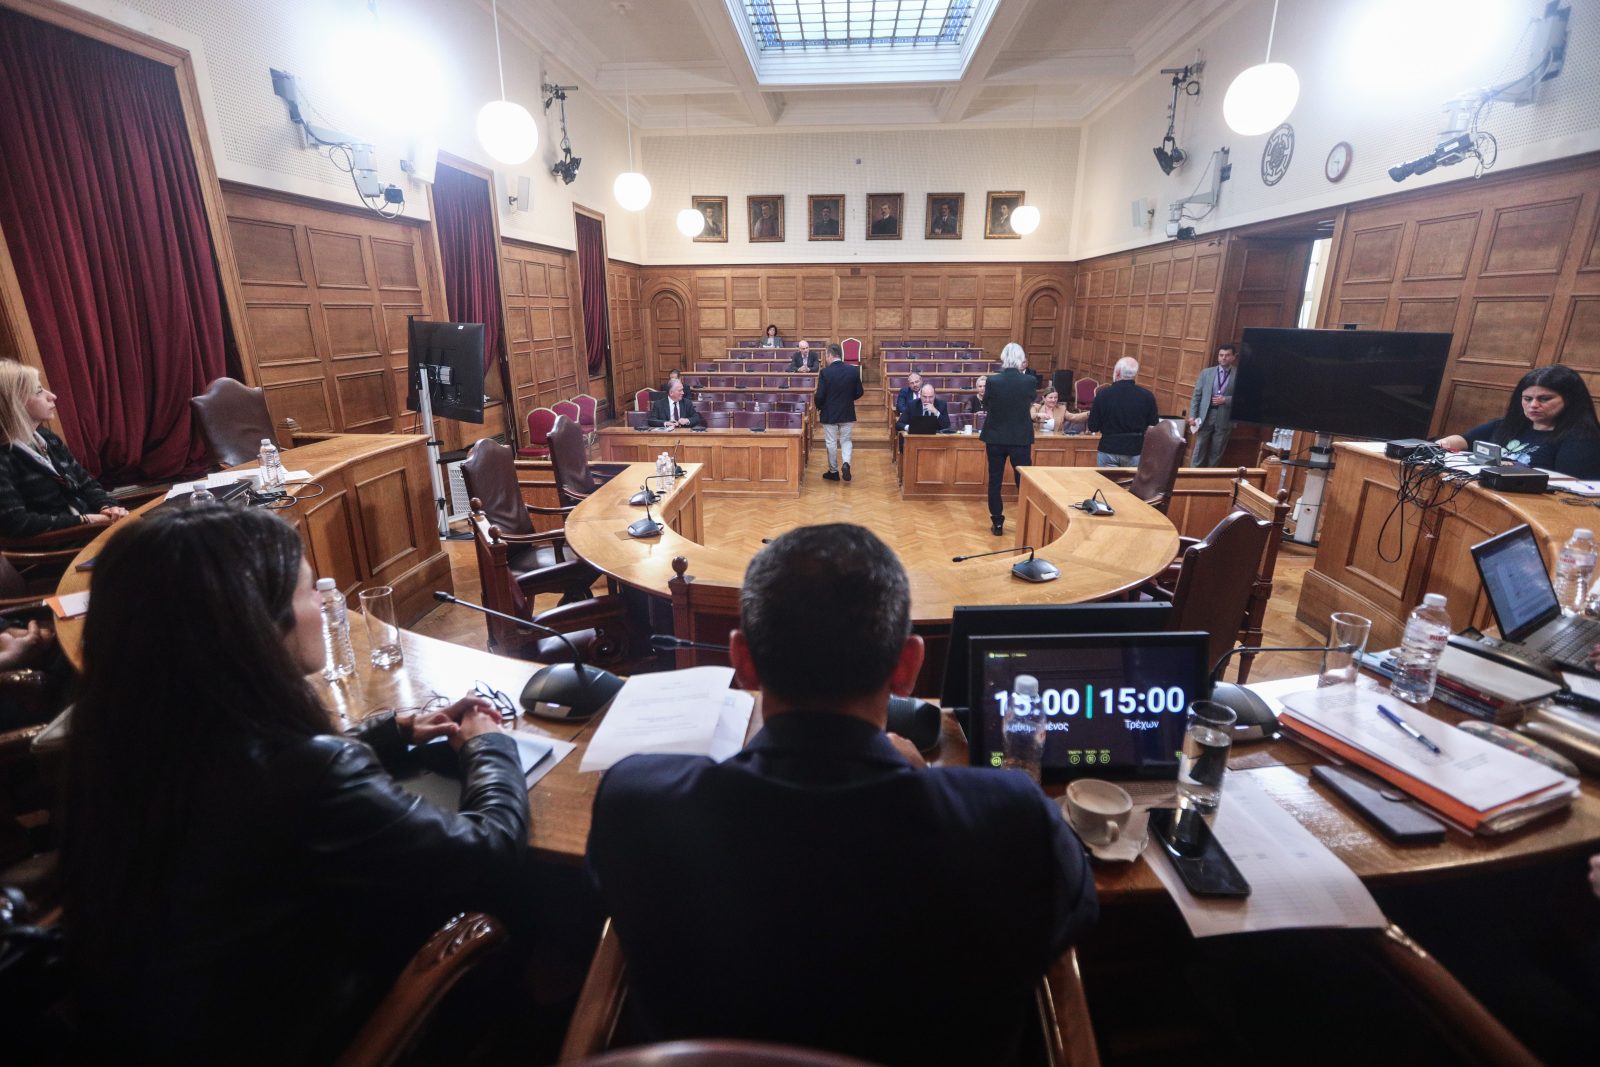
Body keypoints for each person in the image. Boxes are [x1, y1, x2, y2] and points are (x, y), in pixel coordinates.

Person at [587, 524, 1097, 1067]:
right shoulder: (1011, 819)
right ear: (908, 666)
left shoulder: (636, 804)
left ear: (743, 661)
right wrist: (928, 780)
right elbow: (1073, 908)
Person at [60, 506, 529, 1063]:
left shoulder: (116, 735)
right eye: (311, 592)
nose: (327, 608)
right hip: (300, 1032)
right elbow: (488, 851)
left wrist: (391, 732)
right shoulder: (309, 773)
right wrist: (487, 745)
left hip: (158, 1028)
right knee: (529, 902)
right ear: (261, 621)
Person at [0, 362, 128, 538]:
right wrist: (85, 520)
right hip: (60, 547)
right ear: (13, 403)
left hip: (92, 532)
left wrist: (107, 507)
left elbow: (87, 484)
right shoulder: (4, 457)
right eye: (38, 391)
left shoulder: (48, 438)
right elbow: (17, 523)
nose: (52, 396)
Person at [1437, 365, 1600, 479]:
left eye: (1545, 399)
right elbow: (1465, 440)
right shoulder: (1508, 425)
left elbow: (1571, 487)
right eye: (1527, 399)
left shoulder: (1583, 439)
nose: (1533, 405)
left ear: (1570, 400)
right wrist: (1445, 443)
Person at [980, 342, 1035, 536]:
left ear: (1003, 357)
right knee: (1024, 481)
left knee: (995, 480)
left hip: (995, 437)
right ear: (1021, 359)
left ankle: (997, 523)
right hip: (1020, 438)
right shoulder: (1029, 381)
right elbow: (1030, 400)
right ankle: (1028, 520)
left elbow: (986, 404)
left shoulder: (993, 381)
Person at [1089, 356, 1159, 467]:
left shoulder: (1103, 395)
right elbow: (1154, 425)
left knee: (1105, 479)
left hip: (1108, 448)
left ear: (1117, 373)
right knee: (1131, 479)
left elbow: (1093, 427)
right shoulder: (1147, 396)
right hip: (1135, 450)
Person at [814, 342, 861, 482]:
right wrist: (848, 399)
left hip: (829, 412)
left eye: (826, 356)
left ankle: (833, 472)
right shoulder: (853, 370)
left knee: (831, 442)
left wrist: (819, 406)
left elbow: (820, 395)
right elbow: (859, 392)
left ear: (829, 355)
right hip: (847, 411)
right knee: (846, 440)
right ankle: (846, 463)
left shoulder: (825, 372)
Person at [1187, 343, 1238, 466]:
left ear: (1233, 357)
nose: (1223, 358)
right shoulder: (1206, 373)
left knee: (1217, 451)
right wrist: (1192, 415)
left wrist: (1226, 400)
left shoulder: (1239, 375)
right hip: (1206, 415)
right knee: (1199, 448)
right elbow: (1196, 396)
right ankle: (1193, 474)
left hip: (1225, 417)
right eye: (1221, 355)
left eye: (1227, 355)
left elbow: (1244, 398)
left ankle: (1210, 475)